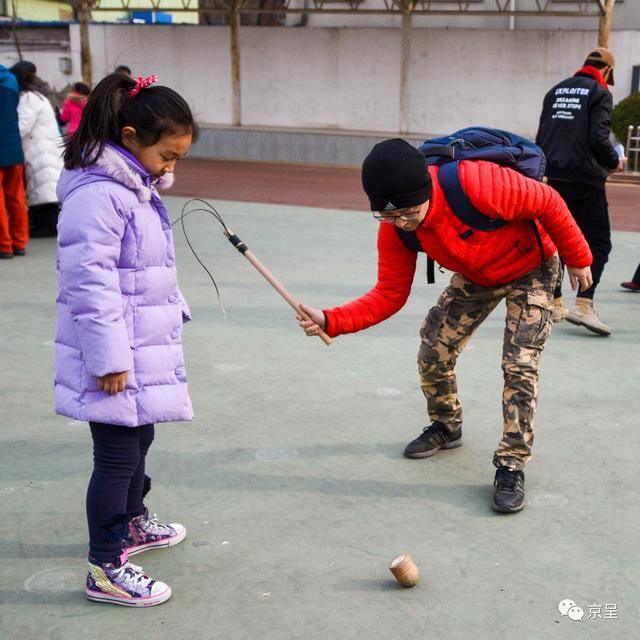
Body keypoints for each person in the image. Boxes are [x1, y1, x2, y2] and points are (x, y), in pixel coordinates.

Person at [297, 139, 592, 513]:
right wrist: (331, 319)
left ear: (426, 191)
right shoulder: (396, 228)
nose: (402, 222)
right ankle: (446, 424)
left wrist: (578, 256)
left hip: (532, 266)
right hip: (478, 273)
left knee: (520, 364)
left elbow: (548, 202)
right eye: (388, 216)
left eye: (408, 212)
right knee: (433, 347)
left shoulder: (477, 184)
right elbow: (389, 294)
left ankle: (511, 462)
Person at [56, 72, 198, 606]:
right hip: (112, 356)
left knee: (140, 441)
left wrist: (171, 311)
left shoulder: (135, 189)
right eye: (168, 154)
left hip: (139, 346)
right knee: (115, 457)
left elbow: (142, 272)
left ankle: (134, 523)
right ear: (132, 137)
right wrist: (108, 358)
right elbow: (89, 286)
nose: (172, 167)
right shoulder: (100, 197)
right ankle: (106, 565)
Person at [536, 47, 623, 335]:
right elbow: (598, 138)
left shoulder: (555, 91)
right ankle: (584, 304)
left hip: (555, 175)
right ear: (607, 72)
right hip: (586, 177)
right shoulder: (600, 92)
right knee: (598, 242)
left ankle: (556, 300)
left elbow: (542, 136)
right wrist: (614, 161)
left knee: (558, 237)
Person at [10, 61, 64, 237]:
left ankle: (47, 226)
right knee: (44, 187)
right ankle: (47, 224)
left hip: (39, 149)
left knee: (43, 188)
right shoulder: (38, 95)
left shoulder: (28, 98)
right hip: (44, 147)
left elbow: (22, 126)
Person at [0, 64, 29, 259]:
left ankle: (4, 245)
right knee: (17, 197)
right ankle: (19, 242)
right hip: (13, 146)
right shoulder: (11, 80)